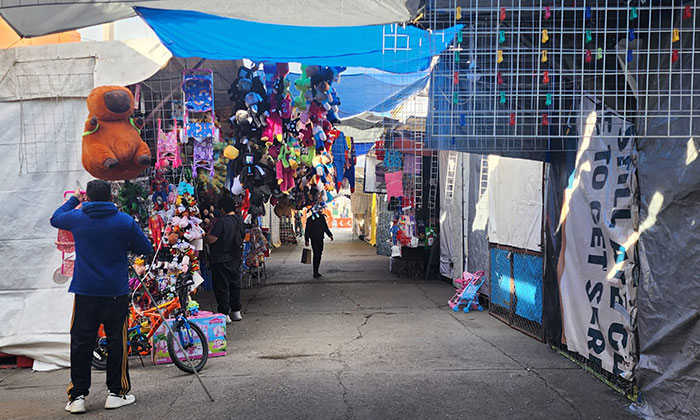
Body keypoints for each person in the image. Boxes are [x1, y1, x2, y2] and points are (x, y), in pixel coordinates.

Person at [50, 180, 152, 414]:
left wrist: (74, 198)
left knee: (81, 342)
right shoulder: (124, 221)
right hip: (115, 291)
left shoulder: (77, 218)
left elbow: (56, 217)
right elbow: (144, 248)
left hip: (85, 291)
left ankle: (78, 396)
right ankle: (116, 393)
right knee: (117, 341)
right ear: (110, 198)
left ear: (88, 198)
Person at [205, 195, 246, 323]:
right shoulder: (239, 220)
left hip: (221, 258)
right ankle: (236, 311)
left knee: (222, 287)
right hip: (236, 257)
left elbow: (212, 239)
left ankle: (224, 314)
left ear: (223, 209)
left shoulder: (222, 222)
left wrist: (203, 237)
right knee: (235, 285)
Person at [305, 202, 334, 278]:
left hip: (319, 239)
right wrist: (306, 239)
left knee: (318, 254)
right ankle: (315, 271)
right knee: (317, 254)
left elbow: (325, 228)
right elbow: (307, 230)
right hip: (315, 239)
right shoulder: (312, 219)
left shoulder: (319, 218)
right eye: (320, 210)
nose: (321, 211)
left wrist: (330, 235)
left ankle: (316, 271)